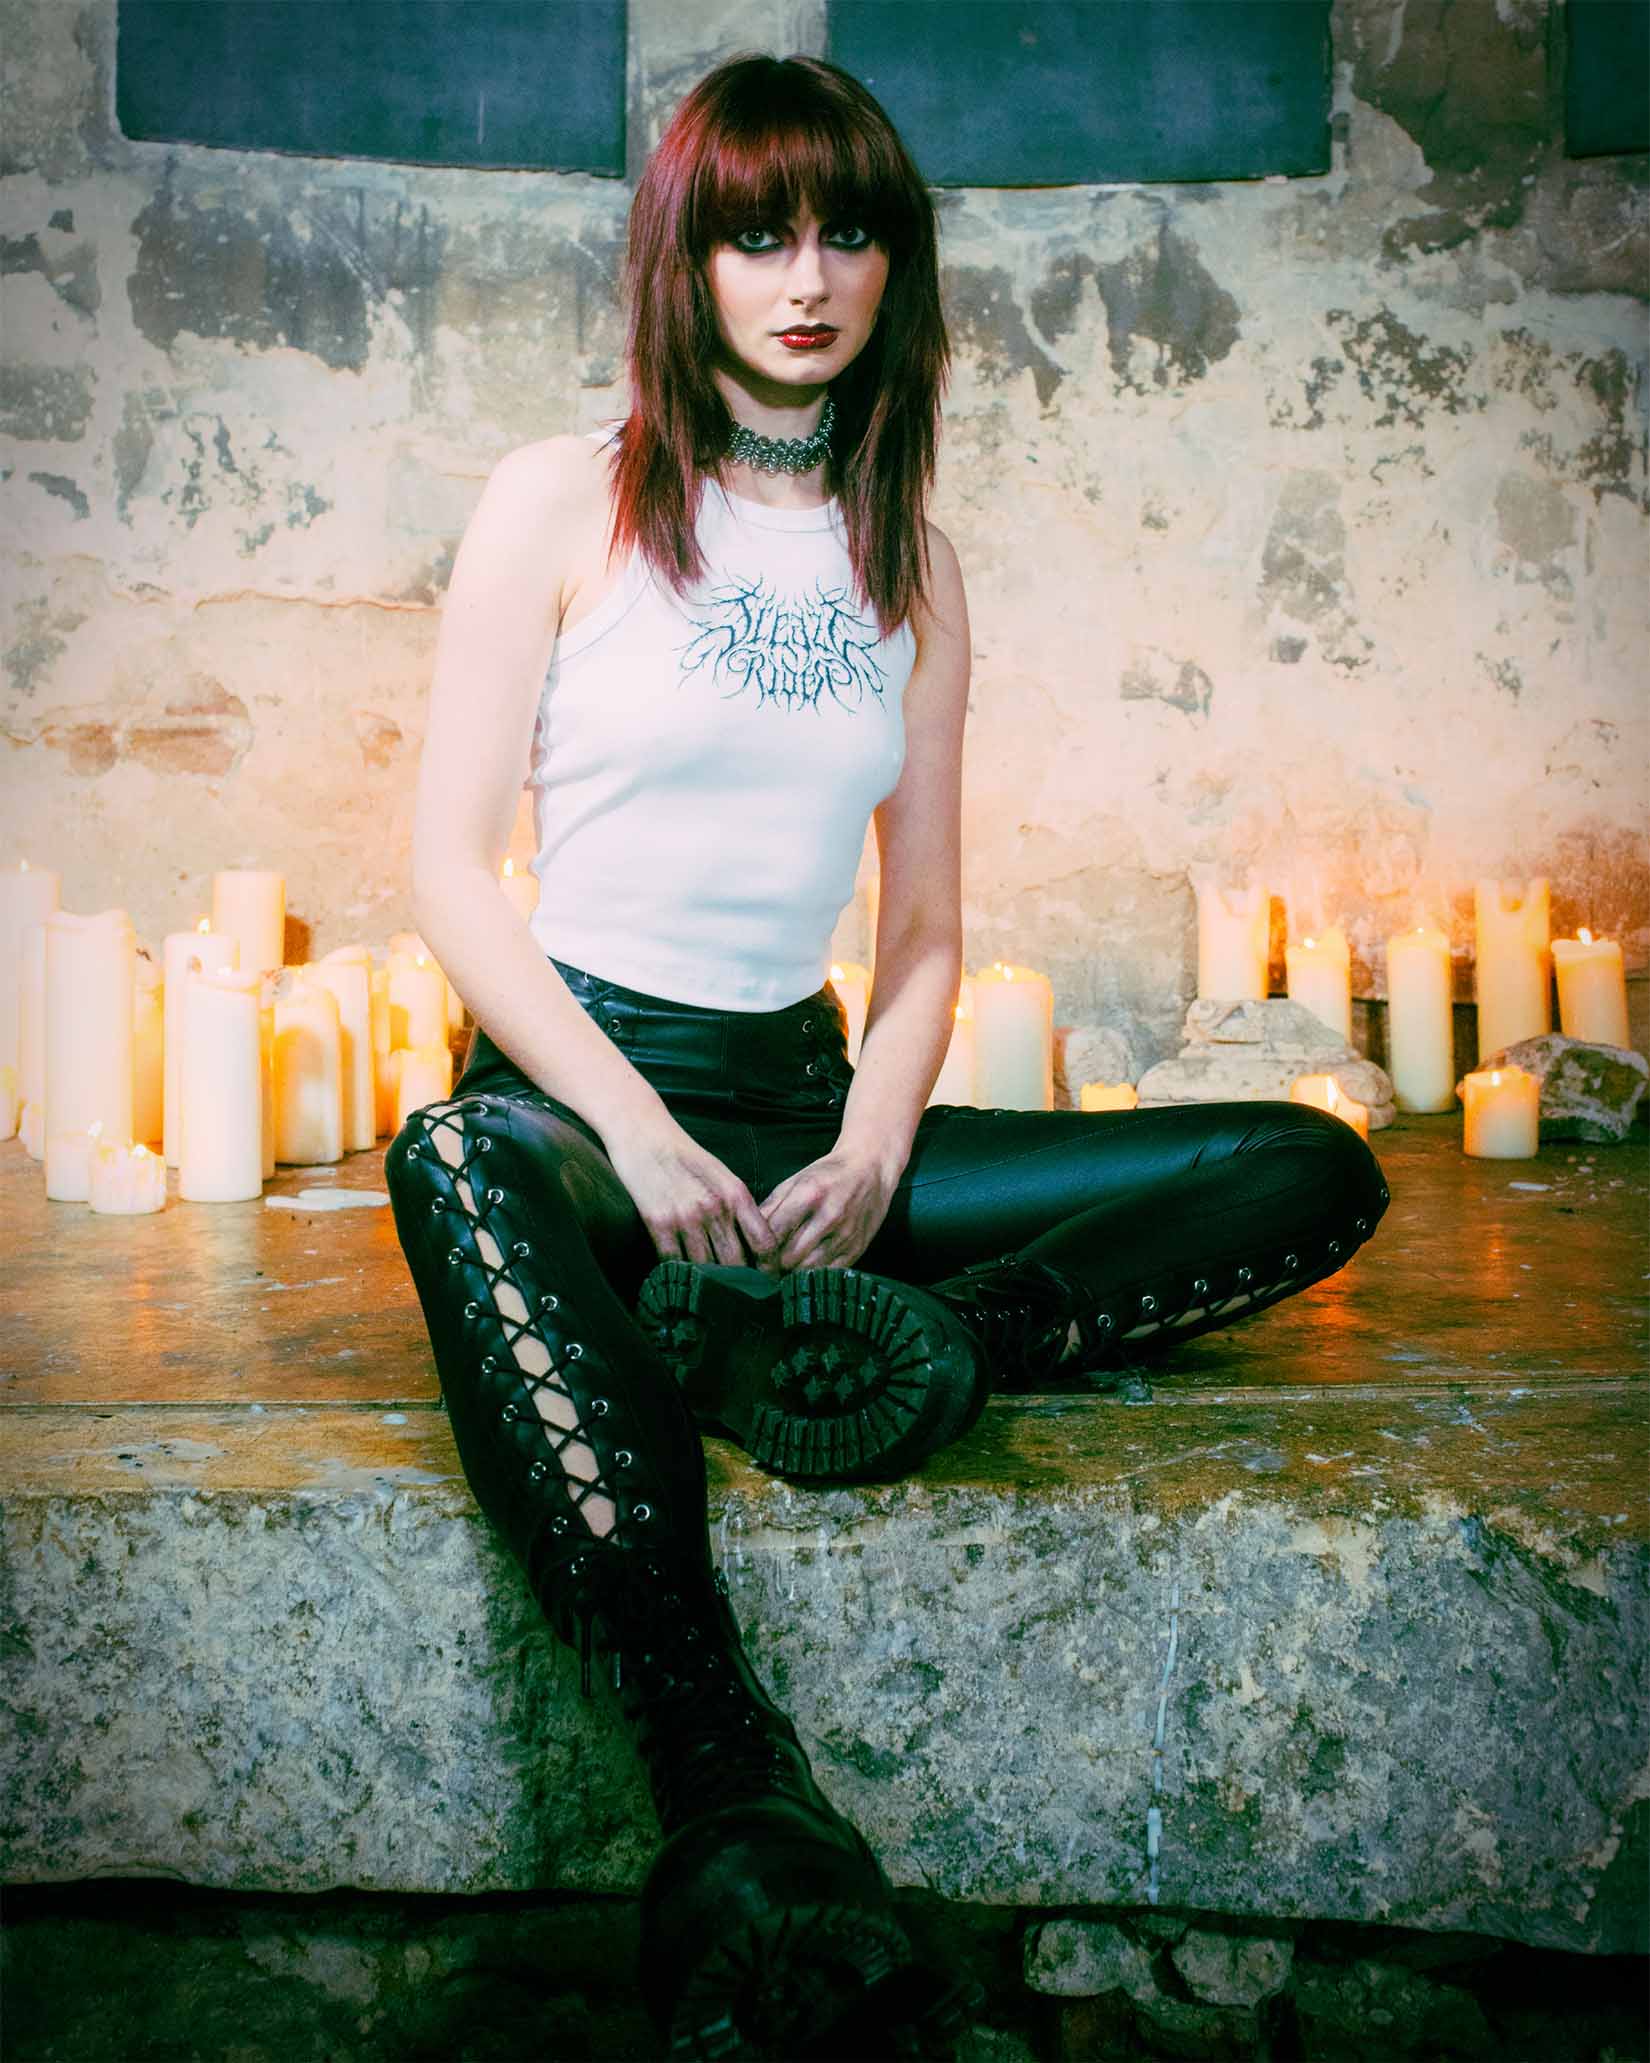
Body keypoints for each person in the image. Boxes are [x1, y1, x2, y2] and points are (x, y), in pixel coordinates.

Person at [383, 51, 1391, 2060]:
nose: (806, 275)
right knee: (451, 1163)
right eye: (758, 232)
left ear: (894, 268)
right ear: (691, 258)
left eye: (848, 231)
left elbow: (923, 933)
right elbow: (445, 870)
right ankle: (721, 1770)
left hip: (806, 1115)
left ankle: (923, 1345)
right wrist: (637, 1130)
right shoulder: (555, 503)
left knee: (1312, 1168)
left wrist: (866, 1144)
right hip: (601, 1112)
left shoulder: (913, 566)